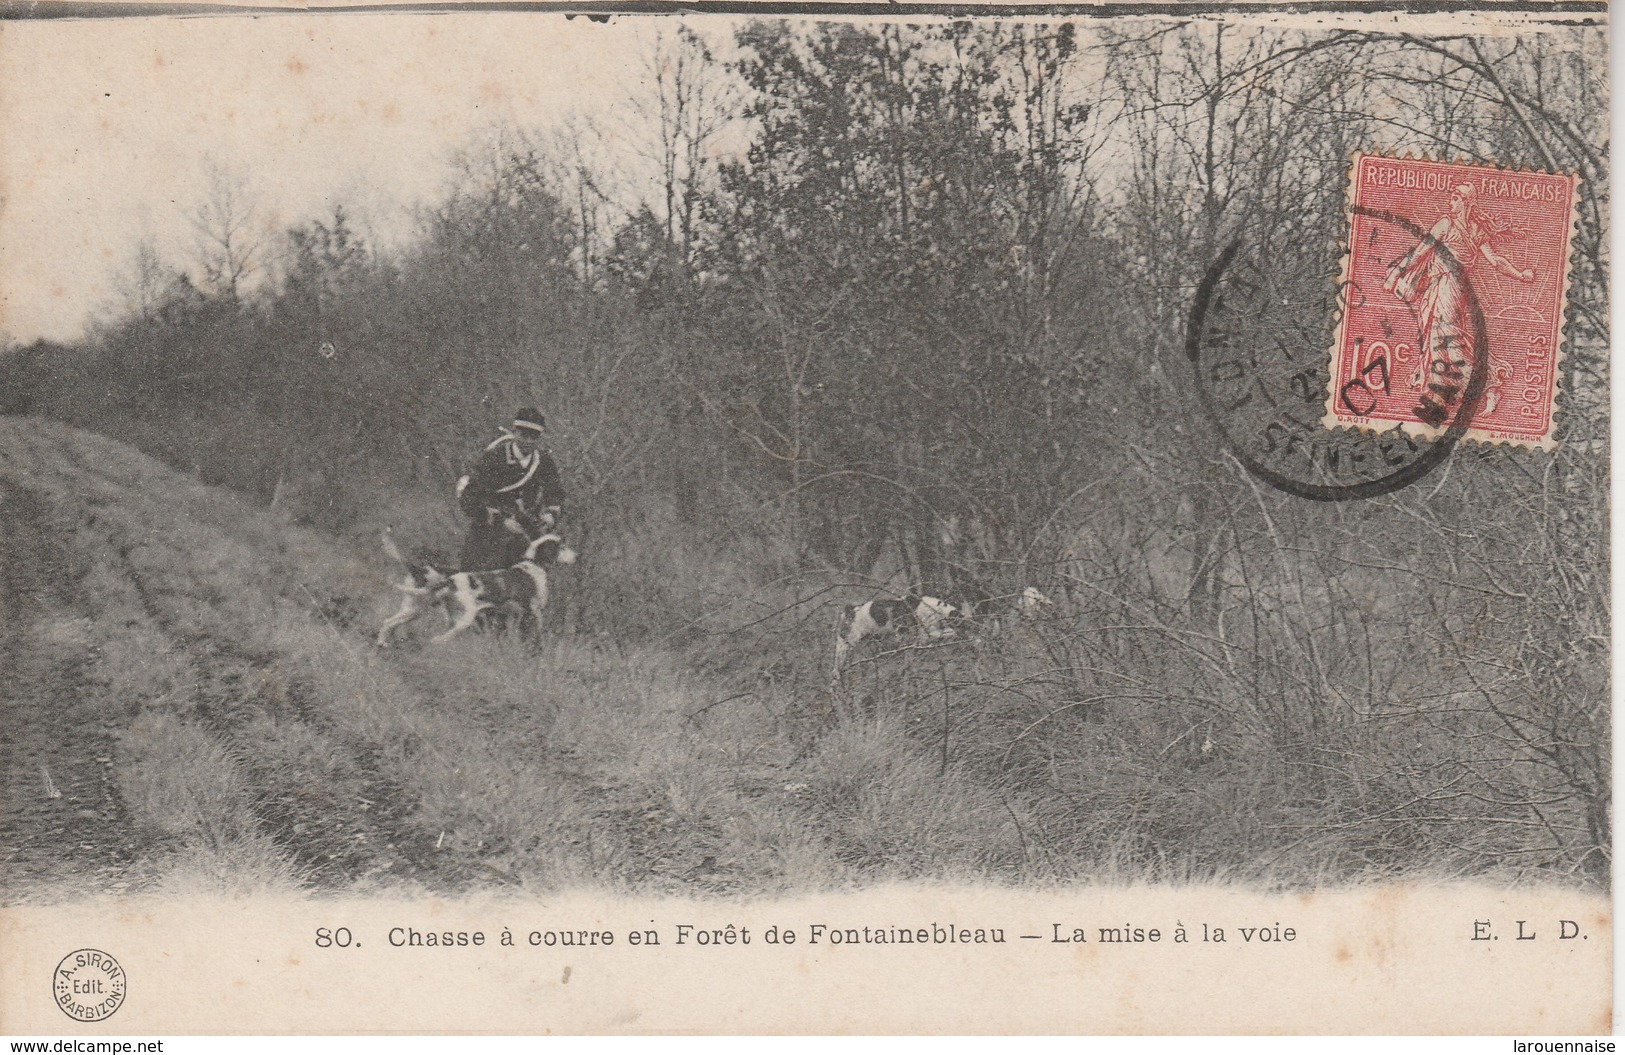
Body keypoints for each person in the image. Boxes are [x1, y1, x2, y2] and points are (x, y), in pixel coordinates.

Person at [1384, 182, 1535, 424]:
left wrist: (1520, 275)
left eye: (1455, 198)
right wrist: (1396, 273)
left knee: (1446, 340)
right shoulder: (1458, 227)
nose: (1451, 202)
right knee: (1439, 342)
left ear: (1467, 202)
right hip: (1442, 288)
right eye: (1451, 198)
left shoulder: (1464, 228)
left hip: (1450, 287)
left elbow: (1494, 260)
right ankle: (1437, 401)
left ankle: (1486, 384)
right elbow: (1421, 252)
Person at [456, 407, 565, 570]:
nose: (528, 441)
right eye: (523, 435)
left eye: (533, 437)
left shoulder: (544, 461)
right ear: (514, 432)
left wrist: (550, 514)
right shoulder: (494, 457)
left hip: (524, 536)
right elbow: (469, 499)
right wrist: (500, 521)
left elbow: (554, 491)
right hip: (488, 536)